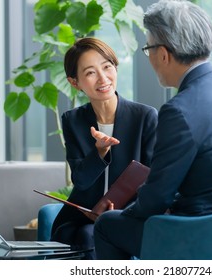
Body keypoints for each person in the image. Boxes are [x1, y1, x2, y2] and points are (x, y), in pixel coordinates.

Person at [93, 0, 212, 259]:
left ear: (163, 54)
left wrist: (119, 210)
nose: (149, 57)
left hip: (206, 234)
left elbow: (156, 198)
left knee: (108, 225)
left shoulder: (180, 109)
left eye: (148, 49)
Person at [50, 37, 158, 259]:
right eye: (90, 73)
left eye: (107, 67)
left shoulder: (145, 117)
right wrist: (99, 152)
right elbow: (80, 181)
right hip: (82, 218)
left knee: (96, 235)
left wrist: (119, 213)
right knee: (84, 235)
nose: (102, 78)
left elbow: (152, 180)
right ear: (74, 82)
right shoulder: (73, 120)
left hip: (129, 216)